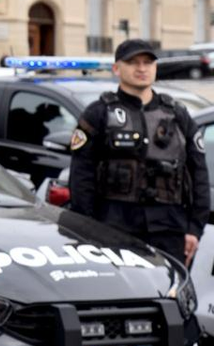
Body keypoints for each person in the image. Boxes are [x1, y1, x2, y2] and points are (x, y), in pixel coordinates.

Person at [69, 39, 210, 266]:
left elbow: (198, 173)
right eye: (133, 62)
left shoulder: (177, 114)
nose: (142, 68)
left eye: (148, 62)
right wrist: (88, 228)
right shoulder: (99, 113)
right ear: (116, 69)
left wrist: (195, 229)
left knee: (170, 287)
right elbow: (81, 176)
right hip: (113, 227)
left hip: (169, 229)